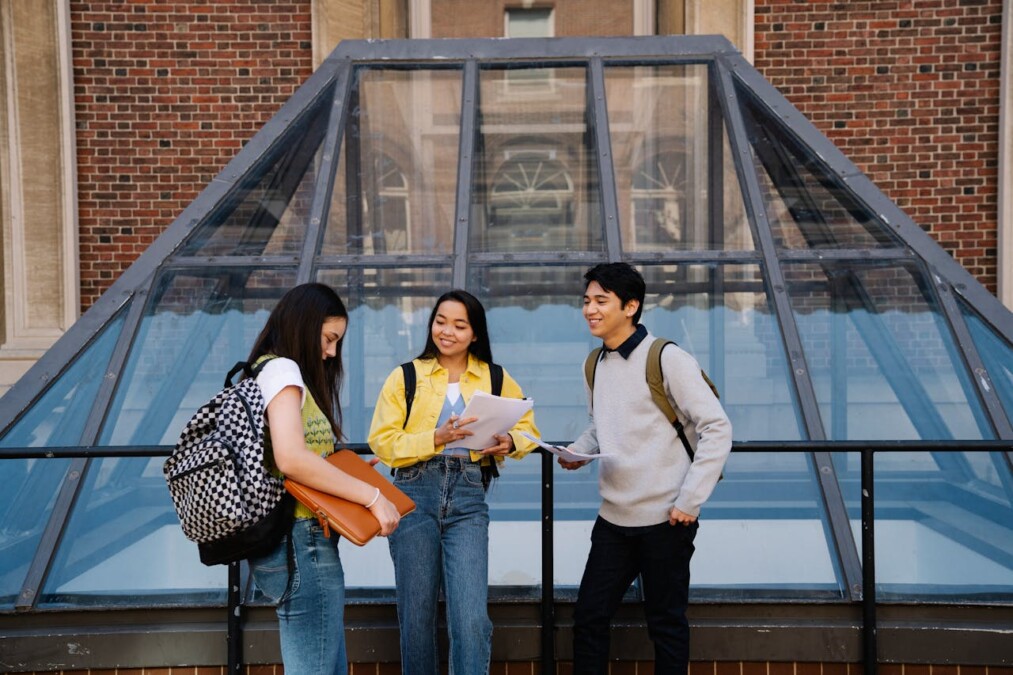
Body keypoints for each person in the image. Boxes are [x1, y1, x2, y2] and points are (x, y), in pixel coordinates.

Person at [559, 263, 732, 675]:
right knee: (589, 618)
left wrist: (690, 501)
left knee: (666, 625)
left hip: (667, 519)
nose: (590, 310)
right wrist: (576, 451)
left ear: (631, 306)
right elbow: (601, 425)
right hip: (613, 519)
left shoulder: (667, 358)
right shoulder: (593, 364)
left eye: (601, 301)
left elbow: (717, 427)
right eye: (587, 301)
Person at [368, 289, 539, 675]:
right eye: (440, 321)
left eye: (460, 325)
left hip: (468, 495)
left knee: (472, 620)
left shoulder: (494, 376)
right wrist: (435, 438)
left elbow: (528, 428)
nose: (447, 331)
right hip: (413, 492)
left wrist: (510, 442)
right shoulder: (406, 375)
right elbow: (383, 442)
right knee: (416, 617)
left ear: (475, 333)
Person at [246, 282, 401, 675]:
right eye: (329, 338)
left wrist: (346, 477)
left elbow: (293, 460)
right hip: (303, 541)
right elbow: (291, 459)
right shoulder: (282, 370)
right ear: (303, 324)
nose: (331, 352)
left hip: (300, 541)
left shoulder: (268, 369)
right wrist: (370, 496)